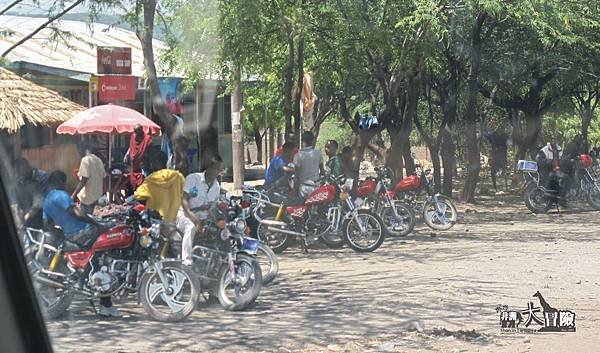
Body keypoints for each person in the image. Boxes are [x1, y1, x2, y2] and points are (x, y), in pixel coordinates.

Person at [42, 171, 121, 317]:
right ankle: (105, 299)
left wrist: (61, 232)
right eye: (63, 182)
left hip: (71, 235)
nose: (64, 185)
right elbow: (77, 213)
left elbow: (47, 223)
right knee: (112, 232)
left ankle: (105, 300)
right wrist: (97, 224)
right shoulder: (61, 195)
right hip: (83, 232)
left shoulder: (47, 200)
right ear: (60, 182)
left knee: (100, 253)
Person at [177, 155, 225, 266]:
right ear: (210, 168)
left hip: (203, 218)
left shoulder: (216, 187)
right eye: (218, 169)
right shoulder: (193, 178)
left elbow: (212, 207)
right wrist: (196, 220)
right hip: (185, 215)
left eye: (221, 170)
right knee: (191, 227)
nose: (219, 173)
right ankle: (186, 262)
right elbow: (184, 201)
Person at [134, 151, 184, 222]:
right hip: (177, 219)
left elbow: (138, 196)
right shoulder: (178, 176)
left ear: (153, 164)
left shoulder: (150, 180)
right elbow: (186, 194)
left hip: (157, 221)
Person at [14, 157, 48, 229]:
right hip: (26, 217)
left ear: (27, 168)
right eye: (18, 174)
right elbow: (17, 202)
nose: (20, 177)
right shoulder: (18, 179)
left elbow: (39, 201)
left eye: (21, 174)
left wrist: (27, 216)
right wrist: (19, 215)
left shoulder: (41, 177)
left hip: (41, 216)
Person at [72, 144, 106, 215]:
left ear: (82, 150)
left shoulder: (85, 160)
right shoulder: (99, 160)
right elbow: (103, 177)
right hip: (97, 195)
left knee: (85, 219)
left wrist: (74, 194)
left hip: (87, 197)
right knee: (92, 218)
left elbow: (84, 179)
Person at [293, 131, 324, 197]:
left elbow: (296, 176)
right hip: (316, 186)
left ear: (302, 141)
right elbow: (322, 172)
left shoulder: (298, 155)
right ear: (313, 140)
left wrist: (294, 190)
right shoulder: (318, 153)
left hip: (304, 187)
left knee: (304, 206)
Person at [536, 137, 566, 206]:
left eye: (555, 139)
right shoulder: (544, 150)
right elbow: (539, 160)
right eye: (552, 139)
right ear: (549, 141)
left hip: (557, 170)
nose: (553, 141)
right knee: (566, 178)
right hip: (548, 171)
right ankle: (561, 198)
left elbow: (563, 160)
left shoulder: (560, 150)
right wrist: (550, 162)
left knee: (566, 176)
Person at [124, 124, 153, 188]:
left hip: (142, 162)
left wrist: (145, 157)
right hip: (134, 163)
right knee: (133, 180)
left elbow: (149, 150)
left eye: (137, 131)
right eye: (134, 131)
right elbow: (131, 146)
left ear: (141, 130)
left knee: (144, 180)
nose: (135, 133)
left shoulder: (147, 138)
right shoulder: (133, 136)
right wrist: (127, 153)